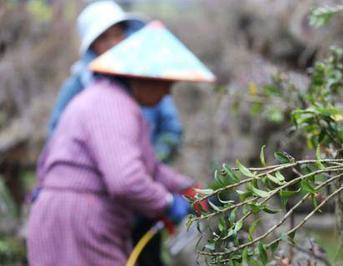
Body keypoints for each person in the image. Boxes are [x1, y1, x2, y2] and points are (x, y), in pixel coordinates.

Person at [27, 21, 215, 266]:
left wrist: (187, 188)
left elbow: (148, 167)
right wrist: (168, 204)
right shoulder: (112, 106)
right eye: (166, 83)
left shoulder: (115, 102)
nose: (168, 92)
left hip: (72, 216)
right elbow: (125, 181)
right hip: (77, 219)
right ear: (144, 77)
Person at [45, 2, 182, 265]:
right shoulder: (91, 92)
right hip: (100, 205)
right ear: (92, 45)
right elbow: (58, 140)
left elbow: (169, 131)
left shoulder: (143, 83)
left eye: (118, 33)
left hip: (140, 199)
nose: (113, 42)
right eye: (103, 37)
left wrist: (174, 184)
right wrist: (164, 200)